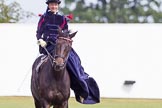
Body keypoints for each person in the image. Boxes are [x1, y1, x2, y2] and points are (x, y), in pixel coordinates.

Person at [36, 0, 100, 104]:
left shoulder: (62, 19)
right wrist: (40, 40)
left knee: (74, 62)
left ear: (58, 6)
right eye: (52, 4)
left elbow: (65, 33)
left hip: (61, 45)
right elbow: (39, 31)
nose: (54, 6)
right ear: (48, 6)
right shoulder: (43, 18)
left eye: (55, 5)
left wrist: (67, 37)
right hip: (48, 46)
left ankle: (81, 89)